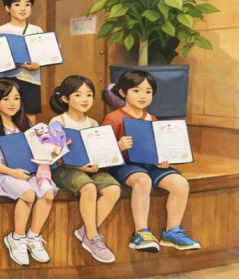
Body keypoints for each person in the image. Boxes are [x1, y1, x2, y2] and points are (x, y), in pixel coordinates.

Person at [103, 69, 200, 252]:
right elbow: (102, 152)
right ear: (123, 92)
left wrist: (163, 158)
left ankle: (171, 231)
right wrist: (118, 146)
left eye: (148, 92)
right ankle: (141, 233)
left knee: (180, 183)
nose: (143, 96)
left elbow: (158, 146)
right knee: (143, 180)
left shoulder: (152, 119)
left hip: (151, 164)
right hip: (125, 165)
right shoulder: (114, 118)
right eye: (136, 91)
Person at [0, 78, 54, 266]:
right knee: (28, 193)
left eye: (16, 98)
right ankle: (17, 237)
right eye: (6, 99)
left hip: (25, 171)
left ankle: (33, 236)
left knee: (48, 192)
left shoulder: (24, 123)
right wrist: (12, 173)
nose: (13, 103)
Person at [49, 75, 121, 263]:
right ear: (65, 98)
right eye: (78, 95)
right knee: (88, 187)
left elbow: (98, 151)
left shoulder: (93, 123)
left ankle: (86, 231)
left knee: (113, 189)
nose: (85, 99)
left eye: (89, 95)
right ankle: (93, 237)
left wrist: (99, 161)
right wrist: (75, 162)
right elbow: (53, 155)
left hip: (90, 168)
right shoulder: (58, 122)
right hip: (64, 169)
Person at [0, 0, 43, 124]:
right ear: (7, 8)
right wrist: (19, 64)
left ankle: (31, 137)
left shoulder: (37, 30)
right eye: (17, 4)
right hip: (8, 78)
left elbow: (42, 55)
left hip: (32, 79)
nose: (23, 8)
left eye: (27, 4)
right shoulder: (0, 30)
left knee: (31, 113)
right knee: (8, 114)